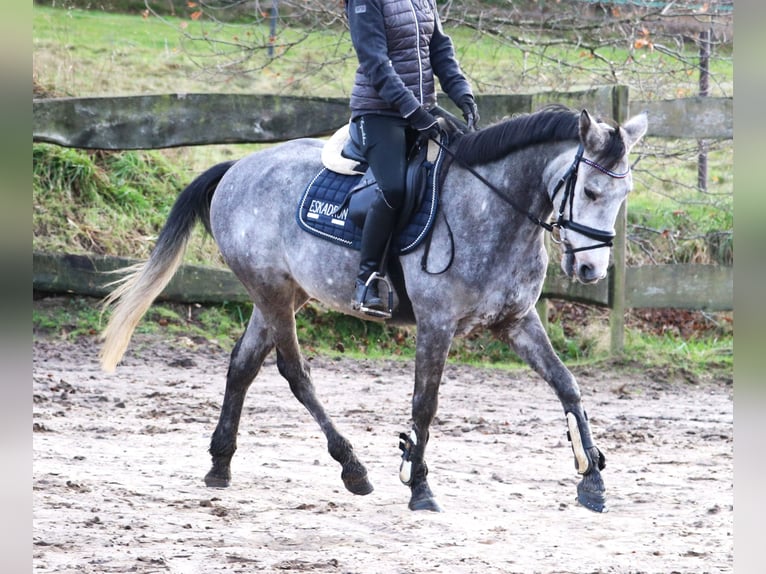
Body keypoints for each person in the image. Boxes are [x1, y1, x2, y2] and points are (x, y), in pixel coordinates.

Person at [346, 0, 479, 315]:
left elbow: (440, 50)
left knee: (475, 163)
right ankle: (366, 281)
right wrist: (413, 111)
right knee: (393, 188)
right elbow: (375, 61)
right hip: (379, 113)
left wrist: (463, 93)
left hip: (422, 109)